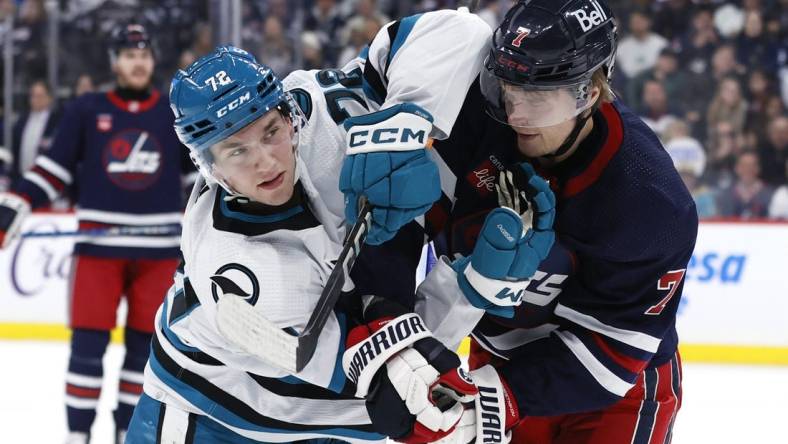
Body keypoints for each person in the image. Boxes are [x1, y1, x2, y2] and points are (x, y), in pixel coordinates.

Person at [127, 7, 495, 442]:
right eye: (236, 151)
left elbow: (460, 30)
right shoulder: (231, 261)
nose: (265, 160)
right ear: (209, 168)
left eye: (270, 132)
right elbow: (381, 377)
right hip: (213, 412)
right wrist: (476, 286)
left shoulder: (330, 113)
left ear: (289, 114)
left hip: (334, 423)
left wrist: (400, 126)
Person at [345, 1, 699, 442]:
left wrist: (499, 396)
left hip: (609, 396)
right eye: (507, 89)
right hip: (493, 357)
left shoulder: (650, 199)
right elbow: (394, 223)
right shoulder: (466, 121)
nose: (515, 114)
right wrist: (386, 320)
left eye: (539, 98)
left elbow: (613, 353)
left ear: (589, 94)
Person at [0, 23, 194, 444]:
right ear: (115, 62)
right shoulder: (86, 110)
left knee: (143, 354)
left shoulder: (172, 113)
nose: (138, 63)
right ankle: (78, 436)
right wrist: (15, 203)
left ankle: (127, 432)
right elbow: (52, 170)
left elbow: (200, 176)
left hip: (158, 253)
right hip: (97, 251)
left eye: (143, 55)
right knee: (86, 349)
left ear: (152, 60)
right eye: (129, 55)